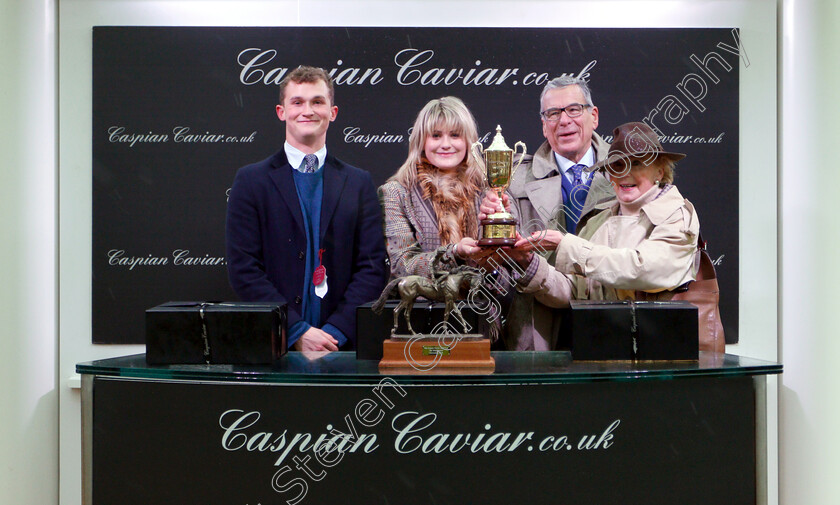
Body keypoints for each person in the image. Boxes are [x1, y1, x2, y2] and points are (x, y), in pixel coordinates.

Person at [226, 66, 387, 352]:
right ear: (281, 111)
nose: (307, 110)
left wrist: (335, 332)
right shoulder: (251, 181)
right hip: (273, 346)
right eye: (297, 102)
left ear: (333, 112)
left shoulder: (359, 182)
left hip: (342, 348)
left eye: (317, 101)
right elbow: (244, 269)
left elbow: (372, 269)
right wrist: (295, 330)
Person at [512, 122, 700, 329]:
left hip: (656, 349)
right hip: (599, 345)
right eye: (617, 166)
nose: (624, 173)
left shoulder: (677, 214)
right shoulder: (598, 219)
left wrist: (565, 244)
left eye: (636, 163)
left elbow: (642, 269)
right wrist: (528, 263)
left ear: (660, 172)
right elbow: (573, 292)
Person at [480, 75, 614, 350]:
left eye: (574, 109)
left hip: (611, 316)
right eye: (553, 113)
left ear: (594, 116)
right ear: (544, 125)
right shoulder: (514, 180)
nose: (564, 121)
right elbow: (505, 267)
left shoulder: (626, 171)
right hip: (537, 325)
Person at [379, 96, 487, 280]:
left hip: (483, 305)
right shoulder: (396, 192)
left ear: (469, 141)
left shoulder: (487, 190)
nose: (446, 144)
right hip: (422, 306)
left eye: (455, 135)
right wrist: (454, 252)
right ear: (421, 141)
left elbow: (507, 265)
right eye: (436, 135)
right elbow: (402, 266)